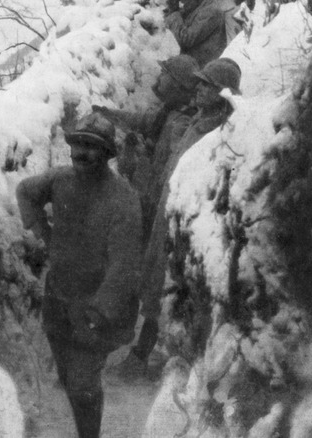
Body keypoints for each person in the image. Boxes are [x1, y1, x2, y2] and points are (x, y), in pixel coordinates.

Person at [16, 112, 142, 437]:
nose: (82, 153)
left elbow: (124, 267)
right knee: (69, 374)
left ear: (107, 153)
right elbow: (26, 192)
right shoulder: (60, 180)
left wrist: (99, 311)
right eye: (77, 145)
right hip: (58, 298)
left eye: (92, 147)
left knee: (83, 383)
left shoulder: (122, 199)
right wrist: (44, 231)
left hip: (96, 305)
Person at [93, 54, 201, 378]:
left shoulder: (182, 123)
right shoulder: (170, 113)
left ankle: (142, 355)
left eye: (166, 75)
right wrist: (110, 114)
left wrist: (141, 157)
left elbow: (174, 167)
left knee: (155, 281)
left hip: (162, 210)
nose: (159, 78)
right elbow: (142, 120)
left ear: (180, 86)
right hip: (151, 204)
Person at [137, 57, 241, 366]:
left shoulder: (224, 131)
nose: (197, 88)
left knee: (174, 284)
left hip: (189, 219)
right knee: (157, 277)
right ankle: (148, 350)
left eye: (205, 85)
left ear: (222, 93)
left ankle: (154, 354)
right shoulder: (197, 119)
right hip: (168, 210)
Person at [164, 0, 242, 67]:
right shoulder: (199, 6)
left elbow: (186, 39)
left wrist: (174, 11)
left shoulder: (212, 10)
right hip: (188, 64)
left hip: (198, 69)